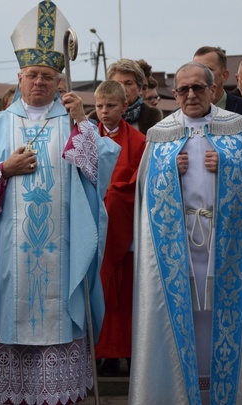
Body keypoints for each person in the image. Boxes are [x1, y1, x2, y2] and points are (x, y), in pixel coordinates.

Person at [0, 0, 119, 405]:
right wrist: (3, 170)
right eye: (31, 75)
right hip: (7, 255)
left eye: (47, 76)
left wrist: (81, 124)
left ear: (59, 80)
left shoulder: (75, 121)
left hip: (62, 256)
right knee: (10, 330)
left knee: (60, 348)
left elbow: (101, 170)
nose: (39, 82)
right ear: (19, 77)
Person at [130, 62, 242, 404]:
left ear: (213, 89)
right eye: (183, 90)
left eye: (197, 88)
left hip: (227, 247)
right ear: (174, 93)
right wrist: (166, 172)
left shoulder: (237, 128)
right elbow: (144, 197)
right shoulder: (161, 134)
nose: (191, 95)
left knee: (225, 315)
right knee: (187, 316)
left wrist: (229, 166)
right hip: (180, 249)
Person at [92, 80, 145, 377]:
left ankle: (127, 352)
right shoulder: (87, 137)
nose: (104, 112)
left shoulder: (139, 141)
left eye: (111, 106)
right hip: (95, 227)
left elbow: (140, 180)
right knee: (101, 290)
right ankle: (102, 353)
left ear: (124, 107)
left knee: (125, 291)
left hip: (125, 228)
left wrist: (113, 195)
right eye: (99, 106)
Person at [193, 46, 242, 152]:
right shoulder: (180, 116)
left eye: (208, 70)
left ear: (224, 76)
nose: (199, 76)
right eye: (196, 70)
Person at [105, 59, 162, 134]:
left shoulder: (152, 116)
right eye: (118, 84)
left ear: (139, 88)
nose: (123, 89)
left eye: (128, 83)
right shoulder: (96, 118)